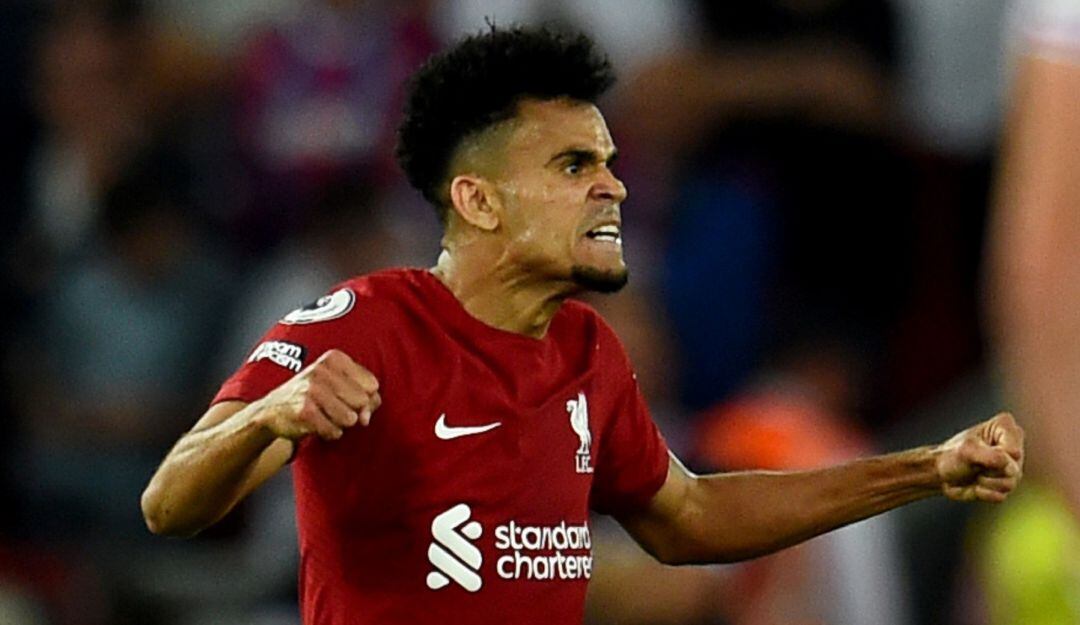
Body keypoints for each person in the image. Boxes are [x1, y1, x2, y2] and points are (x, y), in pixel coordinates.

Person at [141, 26, 1025, 625]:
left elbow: (688, 514)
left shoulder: (588, 351)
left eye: (606, 160)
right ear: (478, 200)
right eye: (574, 164)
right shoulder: (361, 324)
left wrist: (926, 468)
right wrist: (270, 413)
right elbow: (168, 502)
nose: (614, 186)